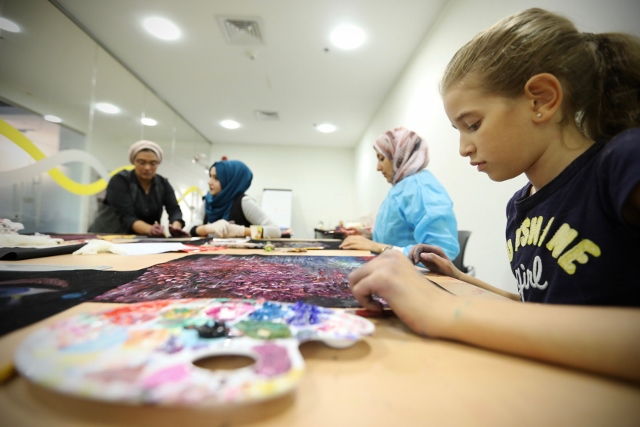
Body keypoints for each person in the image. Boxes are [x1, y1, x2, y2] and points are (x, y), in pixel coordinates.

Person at [348, 8, 640, 383]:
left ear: (541, 100)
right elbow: (538, 309)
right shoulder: (519, 208)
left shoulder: (622, 163)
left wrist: (441, 310)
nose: (463, 148)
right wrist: (460, 278)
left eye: (472, 124)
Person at [339, 127, 459, 258]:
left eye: (382, 158)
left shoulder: (419, 187)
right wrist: (369, 237)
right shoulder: (403, 187)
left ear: (400, 156)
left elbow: (440, 252)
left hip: (409, 270)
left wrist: (376, 247)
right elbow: (400, 237)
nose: (378, 167)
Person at [88, 140, 187, 237]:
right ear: (133, 162)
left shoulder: (163, 184)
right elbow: (126, 216)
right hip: (109, 235)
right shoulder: (120, 180)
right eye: (141, 162)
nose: (147, 167)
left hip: (142, 238)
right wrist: (151, 230)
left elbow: (174, 210)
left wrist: (176, 227)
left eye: (153, 163)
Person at [190, 160, 282, 239]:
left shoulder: (244, 202)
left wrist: (242, 231)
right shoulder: (208, 201)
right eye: (210, 176)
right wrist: (207, 228)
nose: (209, 182)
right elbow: (189, 230)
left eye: (216, 178)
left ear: (230, 181)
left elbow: (275, 231)